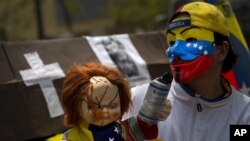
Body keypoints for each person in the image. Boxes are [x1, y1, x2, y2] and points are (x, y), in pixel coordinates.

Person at [122, 2, 250, 141]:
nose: (175, 50)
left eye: (190, 39)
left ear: (222, 50)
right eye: (171, 42)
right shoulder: (137, 99)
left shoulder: (244, 114)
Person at [60, 62, 170, 141]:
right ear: (74, 106)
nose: (104, 112)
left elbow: (144, 124)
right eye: (93, 106)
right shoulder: (71, 138)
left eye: (113, 105)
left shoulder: (123, 129)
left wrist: (155, 109)